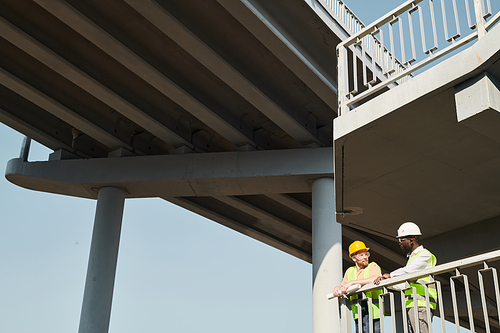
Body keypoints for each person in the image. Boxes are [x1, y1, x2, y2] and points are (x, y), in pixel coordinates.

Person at [374, 222, 437, 333]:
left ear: (411, 240)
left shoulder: (424, 255)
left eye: (401, 240)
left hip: (421, 303)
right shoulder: (412, 258)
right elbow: (405, 284)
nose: (399, 243)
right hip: (413, 304)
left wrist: (390, 275)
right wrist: (387, 282)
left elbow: (408, 271)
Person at [332, 241, 382, 333]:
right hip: (358, 313)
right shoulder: (350, 271)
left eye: (366, 254)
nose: (365, 257)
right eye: (361, 255)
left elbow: (374, 278)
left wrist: (352, 283)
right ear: (354, 258)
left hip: (373, 312)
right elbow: (344, 286)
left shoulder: (373, 266)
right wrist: (337, 288)